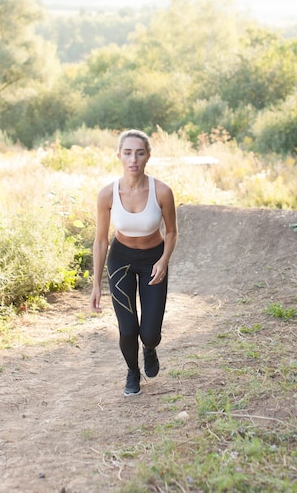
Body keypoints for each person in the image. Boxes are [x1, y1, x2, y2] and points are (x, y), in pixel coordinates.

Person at [90, 129, 178, 396]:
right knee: (127, 329)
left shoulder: (161, 191)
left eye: (139, 153)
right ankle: (132, 371)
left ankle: (149, 349)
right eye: (127, 153)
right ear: (119, 156)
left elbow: (172, 232)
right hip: (122, 260)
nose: (133, 159)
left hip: (154, 259)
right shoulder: (107, 194)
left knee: (149, 333)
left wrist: (164, 260)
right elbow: (101, 240)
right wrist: (96, 284)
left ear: (148, 156)